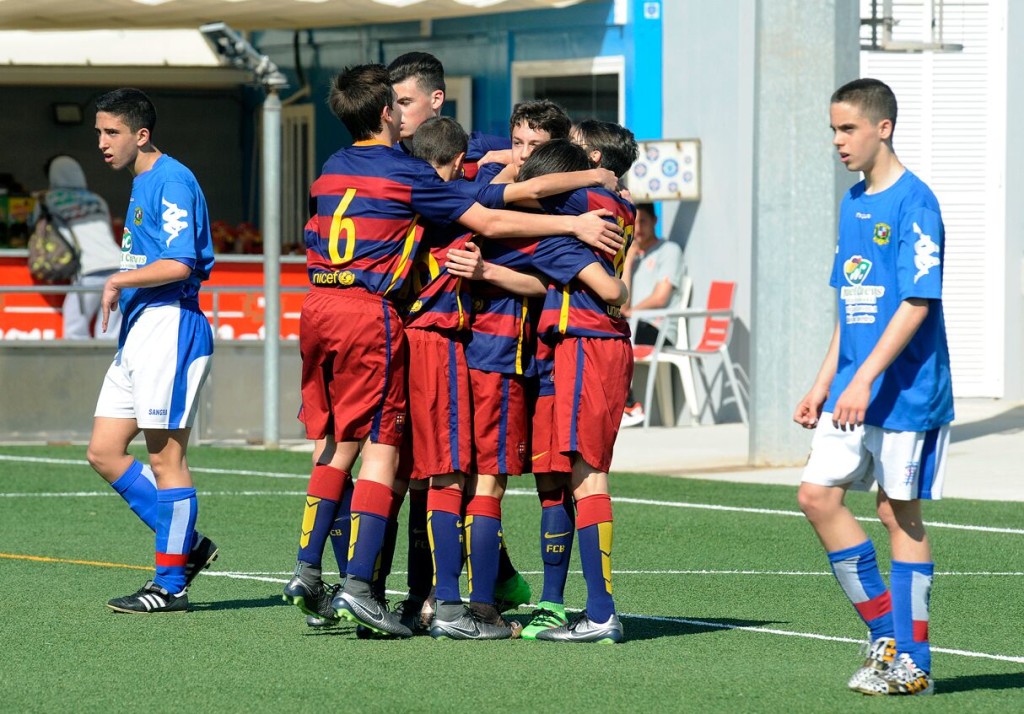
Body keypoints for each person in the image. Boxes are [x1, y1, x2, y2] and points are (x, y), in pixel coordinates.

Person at [283, 63, 622, 638]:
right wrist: (580, 215)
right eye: (400, 101)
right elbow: (502, 213)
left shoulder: (334, 167)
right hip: (422, 334)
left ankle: (314, 570)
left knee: (344, 444)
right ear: (390, 112)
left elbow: (511, 172)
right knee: (426, 465)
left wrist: (504, 159)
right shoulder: (418, 181)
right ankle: (408, 597)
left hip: (319, 307)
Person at [793, 78, 953, 696]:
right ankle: (885, 634)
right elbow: (851, 306)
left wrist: (862, 378)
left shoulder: (918, 203)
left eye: (848, 129)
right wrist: (824, 381)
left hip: (908, 391)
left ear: (882, 127)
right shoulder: (852, 202)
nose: (838, 141)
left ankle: (915, 664)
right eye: (833, 129)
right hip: (853, 388)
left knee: (896, 512)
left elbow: (916, 303)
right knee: (816, 497)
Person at [449, 139, 634, 644]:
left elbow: (615, 291)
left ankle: (597, 615)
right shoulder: (618, 210)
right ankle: (573, 607)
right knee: (566, 478)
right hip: (587, 349)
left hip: (582, 347)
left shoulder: (560, 239)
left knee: (583, 481)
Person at [86, 88, 219, 614]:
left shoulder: (171, 179)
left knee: (167, 458)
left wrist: (121, 278)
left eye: (111, 132)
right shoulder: (144, 180)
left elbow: (182, 262)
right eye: (98, 132)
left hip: (170, 327)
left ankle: (171, 585)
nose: (102, 142)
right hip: (141, 331)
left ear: (141, 135)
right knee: (103, 451)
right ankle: (187, 545)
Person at [35, 155, 123, 339]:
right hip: (118, 267)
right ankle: (108, 367)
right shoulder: (97, 200)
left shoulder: (47, 200)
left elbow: (36, 227)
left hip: (88, 270)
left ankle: (78, 368)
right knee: (110, 333)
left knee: (75, 331)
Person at [387, 51, 511, 179]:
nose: (395, 111)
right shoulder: (384, 159)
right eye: (392, 104)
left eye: (405, 102)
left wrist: (512, 159)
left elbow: (530, 153)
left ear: (436, 99)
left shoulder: (480, 148)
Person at [619, 203, 685, 427]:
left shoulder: (669, 251)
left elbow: (660, 297)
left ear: (655, 222)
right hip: (634, 325)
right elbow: (622, 301)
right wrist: (627, 261)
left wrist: (630, 313)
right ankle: (626, 408)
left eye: (643, 222)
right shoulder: (634, 258)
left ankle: (629, 405)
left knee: (616, 341)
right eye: (634, 223)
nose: (638, 229)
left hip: (658, 328)